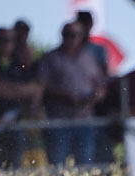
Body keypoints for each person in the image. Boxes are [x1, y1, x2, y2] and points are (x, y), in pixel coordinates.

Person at [37, 22, 106, 165]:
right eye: (68, 34)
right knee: (58, 163)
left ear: (82, 36)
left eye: (75, 35)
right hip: (58, 121)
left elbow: (100, 84)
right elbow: (41, 87)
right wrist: (65, 96)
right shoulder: (50, 58)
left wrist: (97, 95)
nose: (71, 38)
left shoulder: (89, 58)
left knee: (85, 164)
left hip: (85, 120)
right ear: (62, 35)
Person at [0, 27, 42, 168]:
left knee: (15, 166)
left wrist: (6, 88)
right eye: (2, 40)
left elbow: (34, 88)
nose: (5, 44)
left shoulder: (19, 64)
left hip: (16, 123)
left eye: (9, 40)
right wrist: (19, 90)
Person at [76, 11, 107, 76]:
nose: (84, 26)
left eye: (86, 23)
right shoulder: (69, 49)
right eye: (82, 23)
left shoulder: (98, 49)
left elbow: (104, 75)